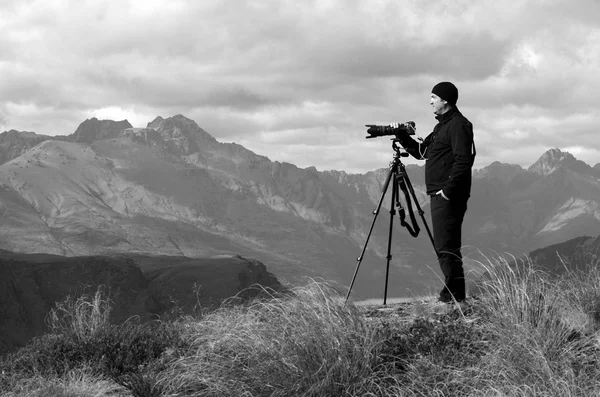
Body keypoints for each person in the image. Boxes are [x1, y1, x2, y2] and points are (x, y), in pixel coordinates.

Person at [394, 81, 476, 303]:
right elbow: (422, 154)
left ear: (445, 100)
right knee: (444, 245)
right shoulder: (442, 126)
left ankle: (452, 296)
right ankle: (454, 295)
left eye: (433, 97)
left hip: (447, 195)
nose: (430, 101)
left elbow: (463, 161)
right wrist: (402, 136)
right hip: (440, 194)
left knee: (446, 245)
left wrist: (447, 191)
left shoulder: (458, 125)